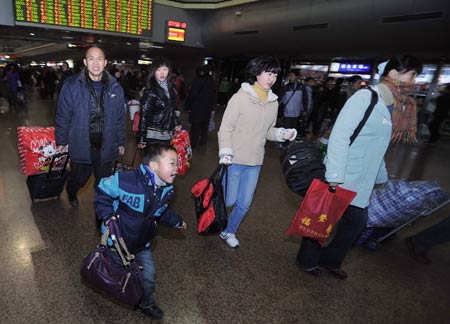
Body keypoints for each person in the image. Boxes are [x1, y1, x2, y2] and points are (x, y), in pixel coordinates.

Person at [296, 54, 423, 278]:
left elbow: (378, 146)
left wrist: (381, 176)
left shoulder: (392, 104)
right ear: (394, 74)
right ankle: (306, 260)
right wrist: (334, 173)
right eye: (412, 75)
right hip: (344, 174)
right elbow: (340, 135)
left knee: (355, 224)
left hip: (362, 180)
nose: (414, 81)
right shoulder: (366, 98)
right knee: (324, 218)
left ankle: (330, 260)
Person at [94, 143, 187, 320]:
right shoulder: (126, 180)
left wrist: (176, 221)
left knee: (148, 276)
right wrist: (107, 216)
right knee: (116, 273)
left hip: (142, 244)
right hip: (118, 242)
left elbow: (159, 213)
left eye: (177, 164)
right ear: (153, 165)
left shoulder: (166, 190)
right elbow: (102, 191)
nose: (177, 168)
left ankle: (146, 303)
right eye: (172, 163)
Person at [217, 56, 297, 248]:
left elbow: (268, 130)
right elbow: (225, 128)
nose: (272, 78)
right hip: (234, 158)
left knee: (244, 204)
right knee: (228, 200)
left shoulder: (273, 102)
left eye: (275, 75)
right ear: (257, 73)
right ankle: (211, 215)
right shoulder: (240, 98)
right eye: (268, 73)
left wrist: (281, 133)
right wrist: (226, 151)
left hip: (255, 161)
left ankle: (229, 231)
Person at [55, 44, 126, 208]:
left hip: (106, 145)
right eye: (91, 58)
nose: (96, 63)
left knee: (103, 184)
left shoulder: (115, 87)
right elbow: (63, 115)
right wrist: (62, 141)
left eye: (99, 59)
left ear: (105, 62)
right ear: (85, 62)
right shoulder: (72, 85)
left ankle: (101, 211)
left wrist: (121, 142)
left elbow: (120, 118)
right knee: (80, 179)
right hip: (81, 143)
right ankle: (71, 191)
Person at [137, 57, 180, 149]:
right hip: (153, 135)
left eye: (165, 69)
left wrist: (176, 122)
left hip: (168, 134)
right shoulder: (150, 91)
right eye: (158, 70)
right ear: (154, 72)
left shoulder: (171, 89)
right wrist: (141, 138)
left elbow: (171, 109)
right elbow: (144, 114)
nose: (162, 73)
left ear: (169, 71)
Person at [185, 66, 217, 148]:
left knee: (195, 127)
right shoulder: (212, 81)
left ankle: (193, 144)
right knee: (204, 126)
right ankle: (203, 142)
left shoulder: (198, 80)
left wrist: (188, 105)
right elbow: (214, 95)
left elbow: (192, 94)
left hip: (197, 107)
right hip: (207, 108)